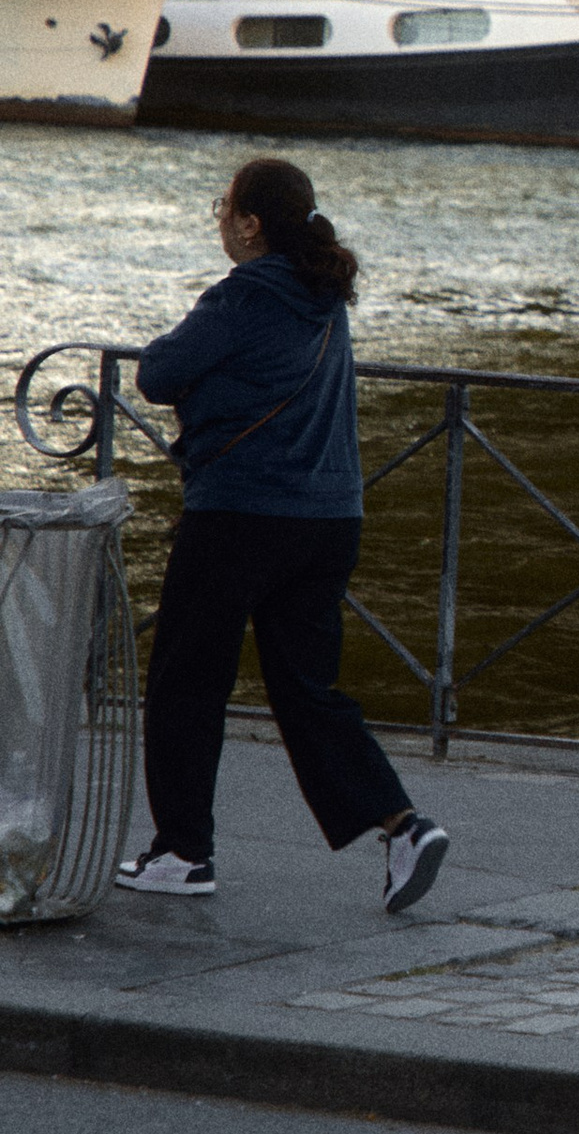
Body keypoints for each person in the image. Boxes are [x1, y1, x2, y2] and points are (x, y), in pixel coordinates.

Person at [114, 159, 448, 915]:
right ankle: (403, 827)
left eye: (223, 207)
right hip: (330, 520)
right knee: (306, 690)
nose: (220, 218)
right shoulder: (327, 298)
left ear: (251, 223)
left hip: (240, 515)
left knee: (186, 681)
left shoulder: (242, 296)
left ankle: (183, 852)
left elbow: (159, 374)